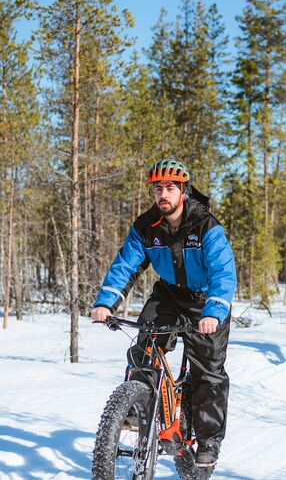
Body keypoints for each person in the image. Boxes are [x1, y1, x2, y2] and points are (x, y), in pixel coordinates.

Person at [91, 159, 237, 469]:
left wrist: (213, 312)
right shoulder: (146, 226)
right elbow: (125, 265)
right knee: (145, 347)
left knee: (208, 372)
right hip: (169, 295)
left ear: (183, 191)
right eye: (158, 188)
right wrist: (105, 303)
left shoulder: (205, 225)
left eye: (170, 188)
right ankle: (138, 406)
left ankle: (208, 440)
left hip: (205, 300)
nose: (163, 194)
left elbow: (223, 273)